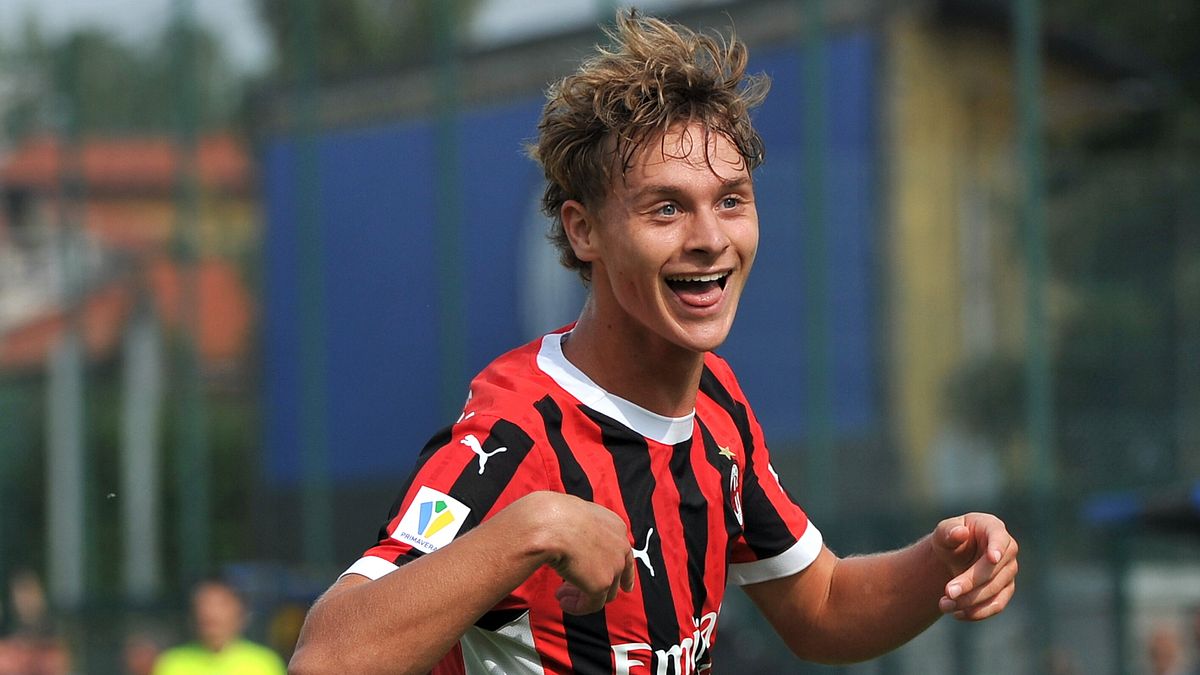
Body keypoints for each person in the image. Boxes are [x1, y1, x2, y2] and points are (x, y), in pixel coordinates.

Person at [288, 11, 1019, 675]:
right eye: (666, 208)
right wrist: (534, 527)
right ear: (584, 231)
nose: (709, 239)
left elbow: (822, 606)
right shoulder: (517, 433)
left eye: (730, 201)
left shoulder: (718, 405)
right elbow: (325, 660)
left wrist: (942, 562)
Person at [152, 579, 285, 675]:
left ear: (240, 612)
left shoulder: (265, 663)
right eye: (204, 604)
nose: (210, 613)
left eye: (221, 604)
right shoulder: (172, 663)